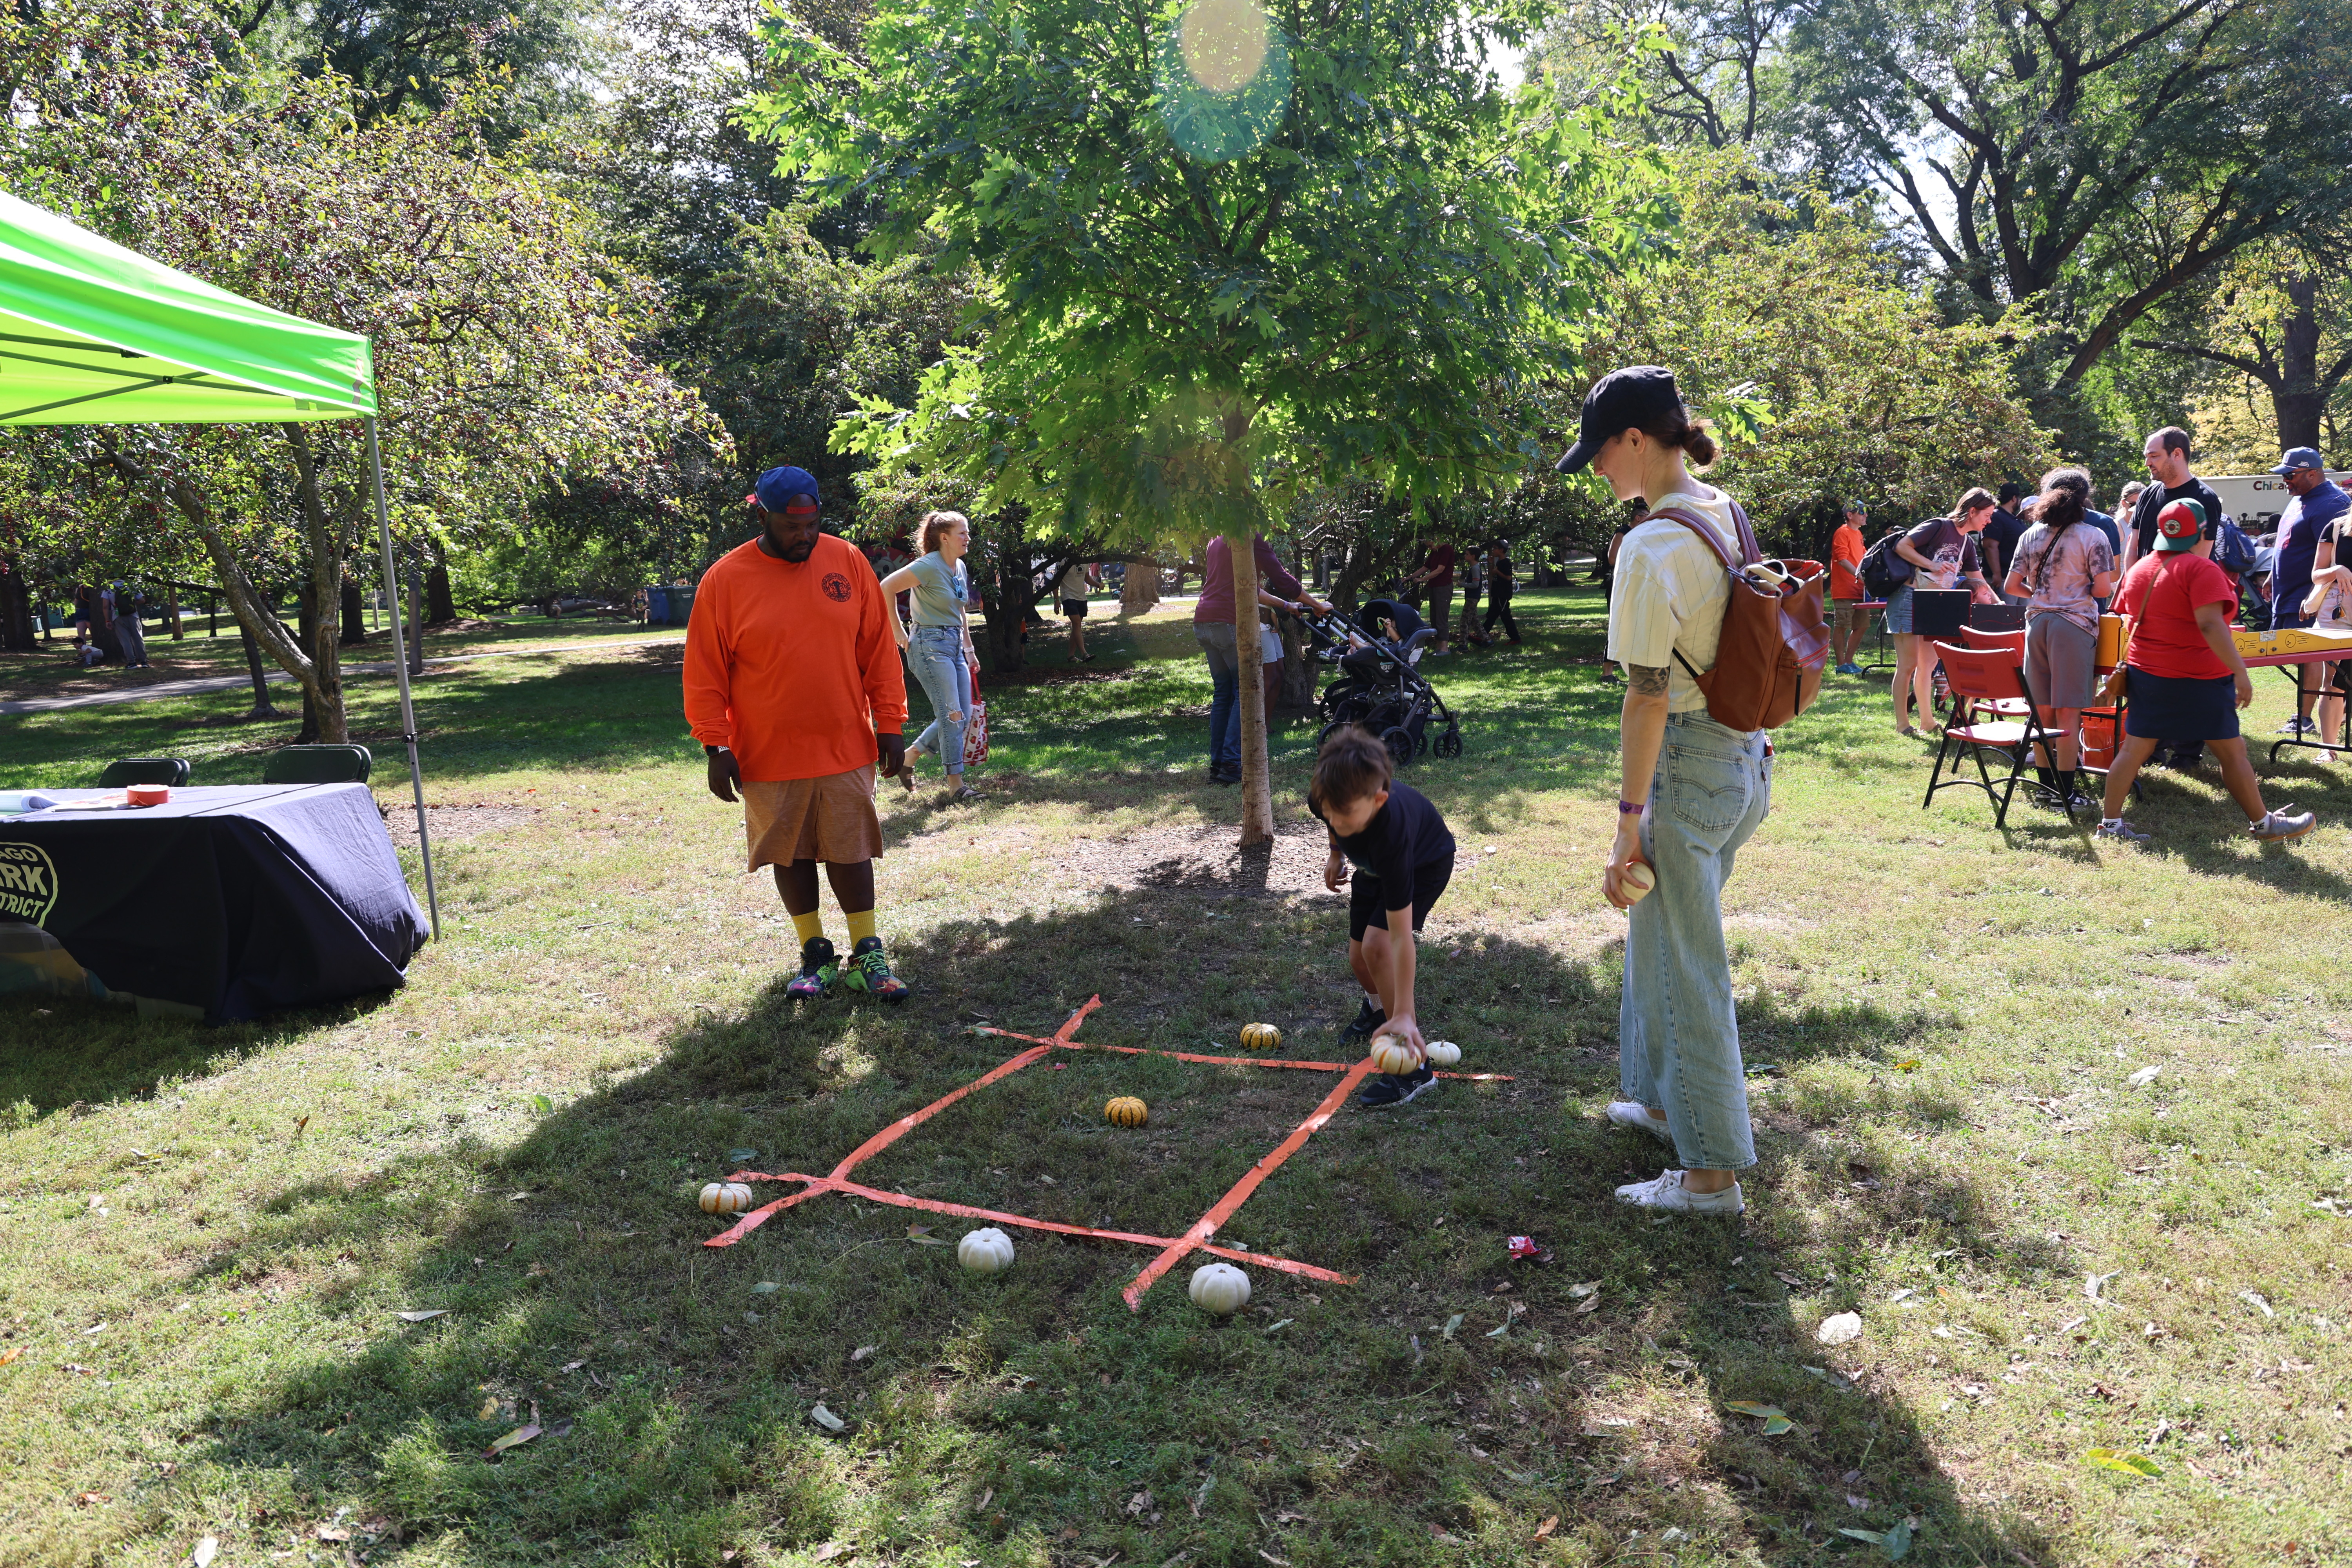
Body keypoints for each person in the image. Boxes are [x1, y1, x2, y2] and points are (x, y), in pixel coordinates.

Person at [1560, 364, 1769, 1217]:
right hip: (1742, 760)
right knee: (1661, 935)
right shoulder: (1723, 510)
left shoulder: (1650, 547)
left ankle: (1711, 1174)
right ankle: (1657, 1101)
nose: (1598, 471)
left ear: (1638, 440)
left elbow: (1646, 696)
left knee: (1688, 964)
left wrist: (1627, 822)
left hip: (1688, 765)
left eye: (1601, 454)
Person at [684, 465, 915, 1001]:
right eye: (792, 527)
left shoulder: (847, 561)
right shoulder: (725, 579)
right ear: (762, 515)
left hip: (844, 741)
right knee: (789, 853)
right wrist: (715, 745)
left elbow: (878, 650)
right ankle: (816, 954)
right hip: (767, 750)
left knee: (850, 846)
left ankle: (868, 954)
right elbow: (705, 670)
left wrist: (891, 724)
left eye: (812, 525)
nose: (804, 537)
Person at [2095, 498, 2314, 846]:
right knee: (2232, 753)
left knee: (2134, 750)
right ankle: (2265, 824)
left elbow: (2125, 618)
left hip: (2148, 674)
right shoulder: (2201, 569)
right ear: (2201, 531)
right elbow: (2212, 626)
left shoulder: (2138, 569)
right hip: (2202, 678)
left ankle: (2110, 824)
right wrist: (2240, 672)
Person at [1307, 724, 1456, 1107]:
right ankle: (1378, 1012)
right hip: (1370, 866)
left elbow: (1400, 938)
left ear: (1378, 800)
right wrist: (1337, 853)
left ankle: (1414, 1071)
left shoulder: (1392, 834)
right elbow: (1331, 818)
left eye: (1347, 815)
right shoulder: (1327, 794)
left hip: (1423, 864)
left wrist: (1405, 1012)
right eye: (1330, 811)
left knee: (1376, 947)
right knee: (1359, 959)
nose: (1336, 821)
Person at [2004, 468, 2116, 812]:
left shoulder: (2031, 535)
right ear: (2085, 499)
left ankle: (2044, 789)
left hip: (2036, 624)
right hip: (2074, 627)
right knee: (2069, 712)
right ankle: (2065, 794)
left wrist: (2040, 594)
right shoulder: (2094, 535)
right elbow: (2103, 590)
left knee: (2042, 711)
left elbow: (2011, 586)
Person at [2119, 428, 2228, 767]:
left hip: (2184, 604)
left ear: (2177, 454)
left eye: (2154, 456)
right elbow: (2134, 546)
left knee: (2189, 676)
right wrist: (2131, 589)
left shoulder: (2205, 497)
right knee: (2148, 675)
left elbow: (2201, 556)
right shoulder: (2150, 494)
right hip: (2145, 600)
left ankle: (2187, 753)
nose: (2148, 463)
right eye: (2147, 456)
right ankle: (2152, 749)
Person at [1195, 535, 1331, 785]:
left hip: (1203, 620)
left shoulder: (1217, 537)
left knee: (1223, 692)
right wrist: (1316, 604)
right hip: (1227, 622)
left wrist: (1286, 606)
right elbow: (1282, 580)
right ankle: (1232, 763)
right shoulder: (1249, 535)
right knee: (1242, 690)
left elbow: (1247, 588)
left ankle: (1218, 766)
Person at [880, 510, 984, 803]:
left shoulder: (959, 567)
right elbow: (885, 588)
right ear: (944, 538)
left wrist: (969, 649)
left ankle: (909, 758)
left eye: (967, 532)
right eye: (962, 533)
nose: (968, 538)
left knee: (960, 717)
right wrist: (898, 633)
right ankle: (956, 786)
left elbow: (960, 610)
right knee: (952, 716)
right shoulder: (927, 566)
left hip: (953, 645)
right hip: (930, 645)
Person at [1886, 488, 1999, 735]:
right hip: (1908, 597)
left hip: (1935, 603)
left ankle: (1927, 722)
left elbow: (1978, 580)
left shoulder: (1967, 543)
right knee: (1908, 663)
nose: (1989, 520)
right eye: (1987, 515)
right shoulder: (1938, 526)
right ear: (1972, 511)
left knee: (1930, 661)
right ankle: (1903, 724)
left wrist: (1999, 604)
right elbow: (1901, 547)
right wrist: (1932, 565)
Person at [2264, 447, 2347, 738]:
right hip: (2289, 593)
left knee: (2315, 656)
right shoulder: (2301, 497)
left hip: (2315, 599)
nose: (2285, 481)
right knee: (2304, 657)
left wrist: (2315, 597)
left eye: (2291, 475)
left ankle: (2306, 718)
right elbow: (2291, 542)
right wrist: (2273, 578)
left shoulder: (2332, 503)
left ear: (2313, 473)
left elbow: (2340, 558)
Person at [1829, 502, 1868, 674]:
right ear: (1850, 515)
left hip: (1860, 590)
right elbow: (1843, 559)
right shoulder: (1842, 532)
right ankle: (1840, 665)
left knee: (1862, 626)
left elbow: (1864, 555)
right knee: (1842, 626)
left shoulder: (1859, 533)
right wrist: (1858, 574)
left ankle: (1849, 662)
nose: (1865, 515)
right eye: (1862, 512)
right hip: (1844, 589)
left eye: (1866, 511)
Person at [1410, 538, 1458, 655]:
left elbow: (1440, 570)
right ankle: (1439, 647)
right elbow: (1425, 568)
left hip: (1443, 587)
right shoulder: (1434, 552)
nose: (1430, 548)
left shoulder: (1446, 549)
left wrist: (1423, 579)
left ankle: (1445, 649)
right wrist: (1410, 577)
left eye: (1430, 545)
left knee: (1441, 617)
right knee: (1434, 617)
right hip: (1434, 587)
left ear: (1437, 540)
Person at [1983, 481, 2028, 605]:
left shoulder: (2015, 519)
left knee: (2022, 619)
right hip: (2003, 579)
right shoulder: (1996, 517)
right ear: (2014, 499)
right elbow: (1990, 546)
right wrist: (1996, 574)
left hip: (2020, 581)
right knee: (2008, 618)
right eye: (2018, 498)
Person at [1056, 558, 1096, 662]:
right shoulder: (1063, 561)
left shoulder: (1085, 559)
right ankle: (1084, 654)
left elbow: (1087, 578)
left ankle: (1071, 656)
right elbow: (1056, 581)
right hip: (1068, 597)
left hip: (1082, 597)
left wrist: (1098, 585)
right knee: (1077, 623)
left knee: (1077, 626)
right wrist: (1056, 600)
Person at [1481, 539, 1520, 645]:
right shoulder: (1499, 561)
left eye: (1495, 548)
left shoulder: (1506, 563)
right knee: (1492, 616)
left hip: (1502, 594)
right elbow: (1494, 574)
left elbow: (1508, 578)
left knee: (1504, 617)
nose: (1493, 550)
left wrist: (1497, 571)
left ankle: (1515, 638)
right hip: (1497, 593)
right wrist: (1490, 564)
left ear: (1501, 550)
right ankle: (1482, 636)